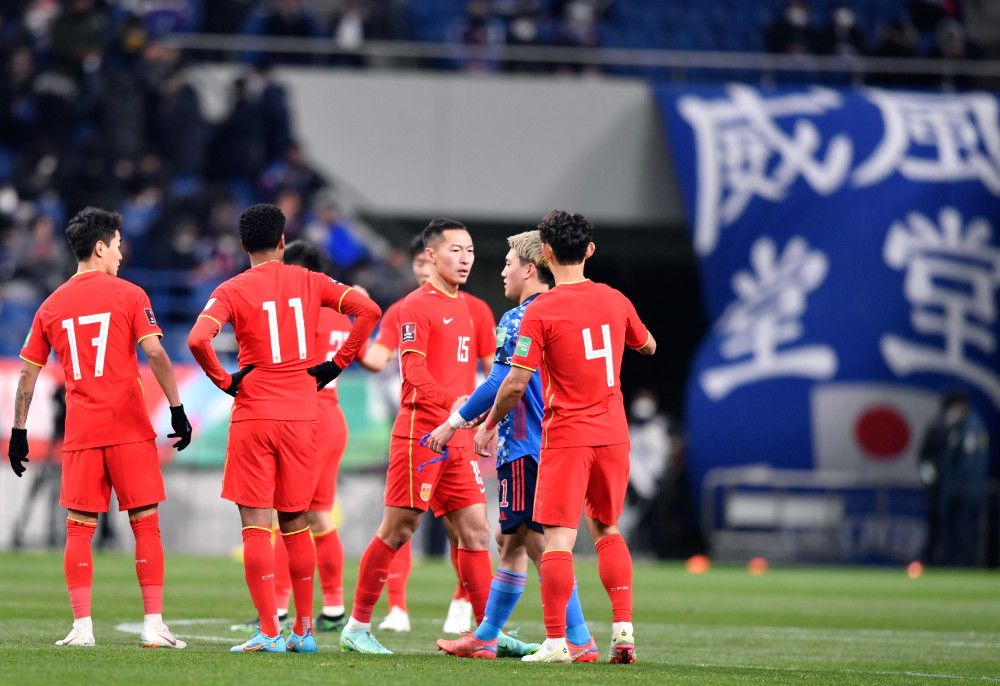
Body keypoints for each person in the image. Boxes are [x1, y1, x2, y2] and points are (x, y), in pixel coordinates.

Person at [187, 204, 380, 653]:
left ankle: (269, 632)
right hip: (302, 412)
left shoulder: (231, 289)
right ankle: (305, 631)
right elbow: (367, 309)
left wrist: (225, 381)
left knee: (257, 525)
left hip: (255, 411)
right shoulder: (310, 281)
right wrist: (336, 363)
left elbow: (198, 339)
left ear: (242, 246)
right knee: (298, 523)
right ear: (281, 241)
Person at [474, 210, 656, 664]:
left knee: (557, 540)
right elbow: (648, 345)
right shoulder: (616, 300)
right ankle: (623, 632)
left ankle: (557, 642)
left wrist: (489, 422)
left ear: (547, 254)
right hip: (613, 432)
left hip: (568, 434)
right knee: (608, 530)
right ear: (590, 251)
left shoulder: (543, 310)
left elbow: (515, 383)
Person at [8, 207, 193, 649]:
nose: (121, 255)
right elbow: (156, 354)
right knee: (145, 524)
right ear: (99, 247)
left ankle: (82, 628)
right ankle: (153, 625)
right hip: (128, 427)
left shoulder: (50, 306)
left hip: (82, 432)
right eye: (117, 245)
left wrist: (18, 431)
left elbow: (28, 375)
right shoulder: (130, 295)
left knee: (78, 528)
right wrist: (176, 407)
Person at [429, 229, 597, 661]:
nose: (501, 271)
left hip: (526, 444)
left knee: (538, 543)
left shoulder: (520, 317)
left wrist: (457, 422)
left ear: (529, 267)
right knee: (514, 541)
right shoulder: (569, 310)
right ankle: (486, 636)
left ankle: (577, 639)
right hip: (559, 441)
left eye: (507, 263)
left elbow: (502, 381)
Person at [340, 219, 495, 655]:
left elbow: (481, 371)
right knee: (398, 529)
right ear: (431, 256)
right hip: (421, 433)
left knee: (476, 532)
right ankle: (357, 625)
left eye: (469, 251)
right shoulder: (413, 306)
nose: (465, 259)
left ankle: (485, 633)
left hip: (458, 434)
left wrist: (476, 418)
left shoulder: (470, 308)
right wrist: (456, 404)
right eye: (455, 251)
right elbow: (413, 371)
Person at [918, 389, 991, 567]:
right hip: (951, 489)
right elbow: (929, 454)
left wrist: (955, 487)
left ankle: (962, 565)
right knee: (948, 530)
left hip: (964, 491)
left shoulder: (971, 428)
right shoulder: (951, 427)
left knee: (962, 531)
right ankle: (947, 563)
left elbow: (970, 465)